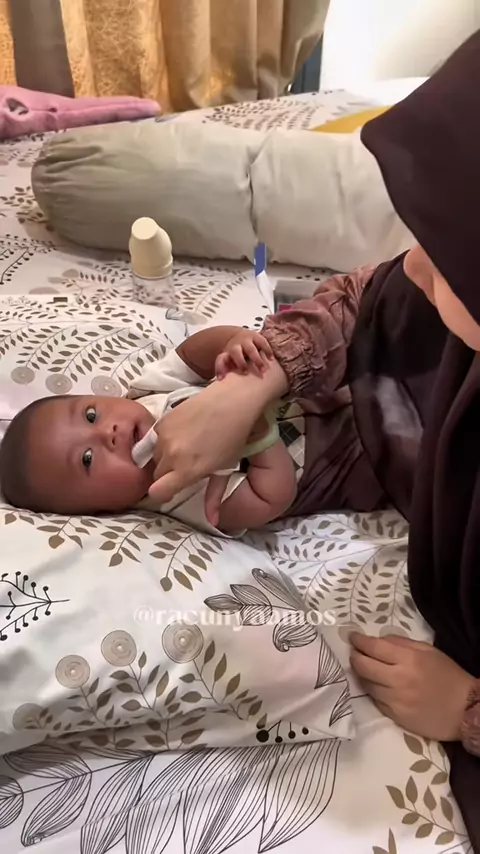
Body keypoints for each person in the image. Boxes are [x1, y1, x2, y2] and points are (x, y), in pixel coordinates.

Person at [141, 31, 480, 841]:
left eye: (452, 256)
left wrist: (467, 710)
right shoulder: (441, 312)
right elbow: (369, 295)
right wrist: (250, 383)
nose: (416, 267)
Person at [0, 325, 302, 534]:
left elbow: (191, 355)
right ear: (104, 510)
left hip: (299, 387)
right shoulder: (177, 497)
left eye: (91, 415)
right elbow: (270, 498)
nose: (106, 433)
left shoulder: (147, 393)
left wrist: (232, 341)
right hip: (321, 459)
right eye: (87, 459)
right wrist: (258, 435)